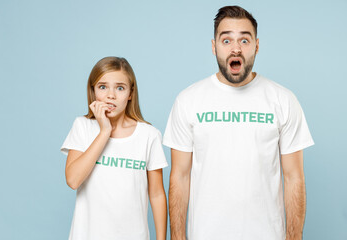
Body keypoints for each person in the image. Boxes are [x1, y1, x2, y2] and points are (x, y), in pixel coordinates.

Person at [164, 6, 314, 240]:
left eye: (244, 40)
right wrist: (177, 237)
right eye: (226, 40)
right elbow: (179, 177)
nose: (236, 48)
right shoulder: (188, 101)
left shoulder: (283, 100)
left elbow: (294, 177)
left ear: (256, 45)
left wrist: (294, 238)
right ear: (214, 47)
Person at [61, 57, 168, 240]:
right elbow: (73, 180)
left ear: (130, 93)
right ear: (93, 91)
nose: (111, 95)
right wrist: (104, 132)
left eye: (120, 88)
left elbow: (157, 194)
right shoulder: (83, 127)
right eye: (103, 87)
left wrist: (161, 238)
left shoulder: (149, 135)